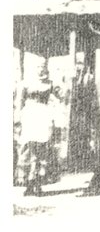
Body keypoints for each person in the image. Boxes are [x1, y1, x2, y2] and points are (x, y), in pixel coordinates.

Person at [17, 60, 57, 196]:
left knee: (42, 148)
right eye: (38, 66)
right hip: (29, 114)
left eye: (43, 67)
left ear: (46, 68)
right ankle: (28, 183)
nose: (40, 69)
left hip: (43, 115)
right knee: (29, 148)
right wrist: (18, 117)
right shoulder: (26, 83)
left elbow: (64, 95)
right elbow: (19, 101)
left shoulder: (50, 83)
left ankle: (38, 184)